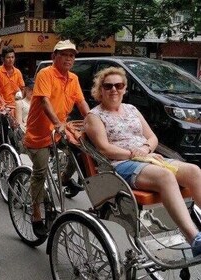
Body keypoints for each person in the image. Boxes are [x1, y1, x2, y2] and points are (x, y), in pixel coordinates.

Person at [84, 66, 201, 257]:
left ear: (124, 88)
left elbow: (152, 137)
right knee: (165, 176)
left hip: (149, 157)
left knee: (195, 171)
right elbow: (104, 148)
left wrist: (146, 149)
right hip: (122, 164)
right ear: (100, 90)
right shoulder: (94, 116)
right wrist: (133, 153)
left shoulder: (132, 109)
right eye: (108, 86)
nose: (114, 89)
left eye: (118, 85)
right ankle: (194, 238)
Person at [23, 40, 90, 237]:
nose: (69, 58)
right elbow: (44, 101)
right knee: (40, 172)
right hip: (39, 133)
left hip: (59, 131)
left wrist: (94, 120)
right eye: (65, 54)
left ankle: (64, 178)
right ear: (54, 57)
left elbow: (81, 102)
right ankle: (36, 212)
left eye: (72, 55)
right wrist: (57, 123)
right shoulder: (45, 74)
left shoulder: (74, 79)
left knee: (81, 150)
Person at [0, 46, 25, 143]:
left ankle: (15, 146)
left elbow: (22, 88)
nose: (11, 60)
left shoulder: (17, 72)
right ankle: (2, 148)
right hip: (0, 105)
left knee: (18, 125)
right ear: (2, 59)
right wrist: (2, 102)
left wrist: (21, 98)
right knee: (4, 126)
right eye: (8, 57)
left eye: (12, 57)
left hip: (13, 104)